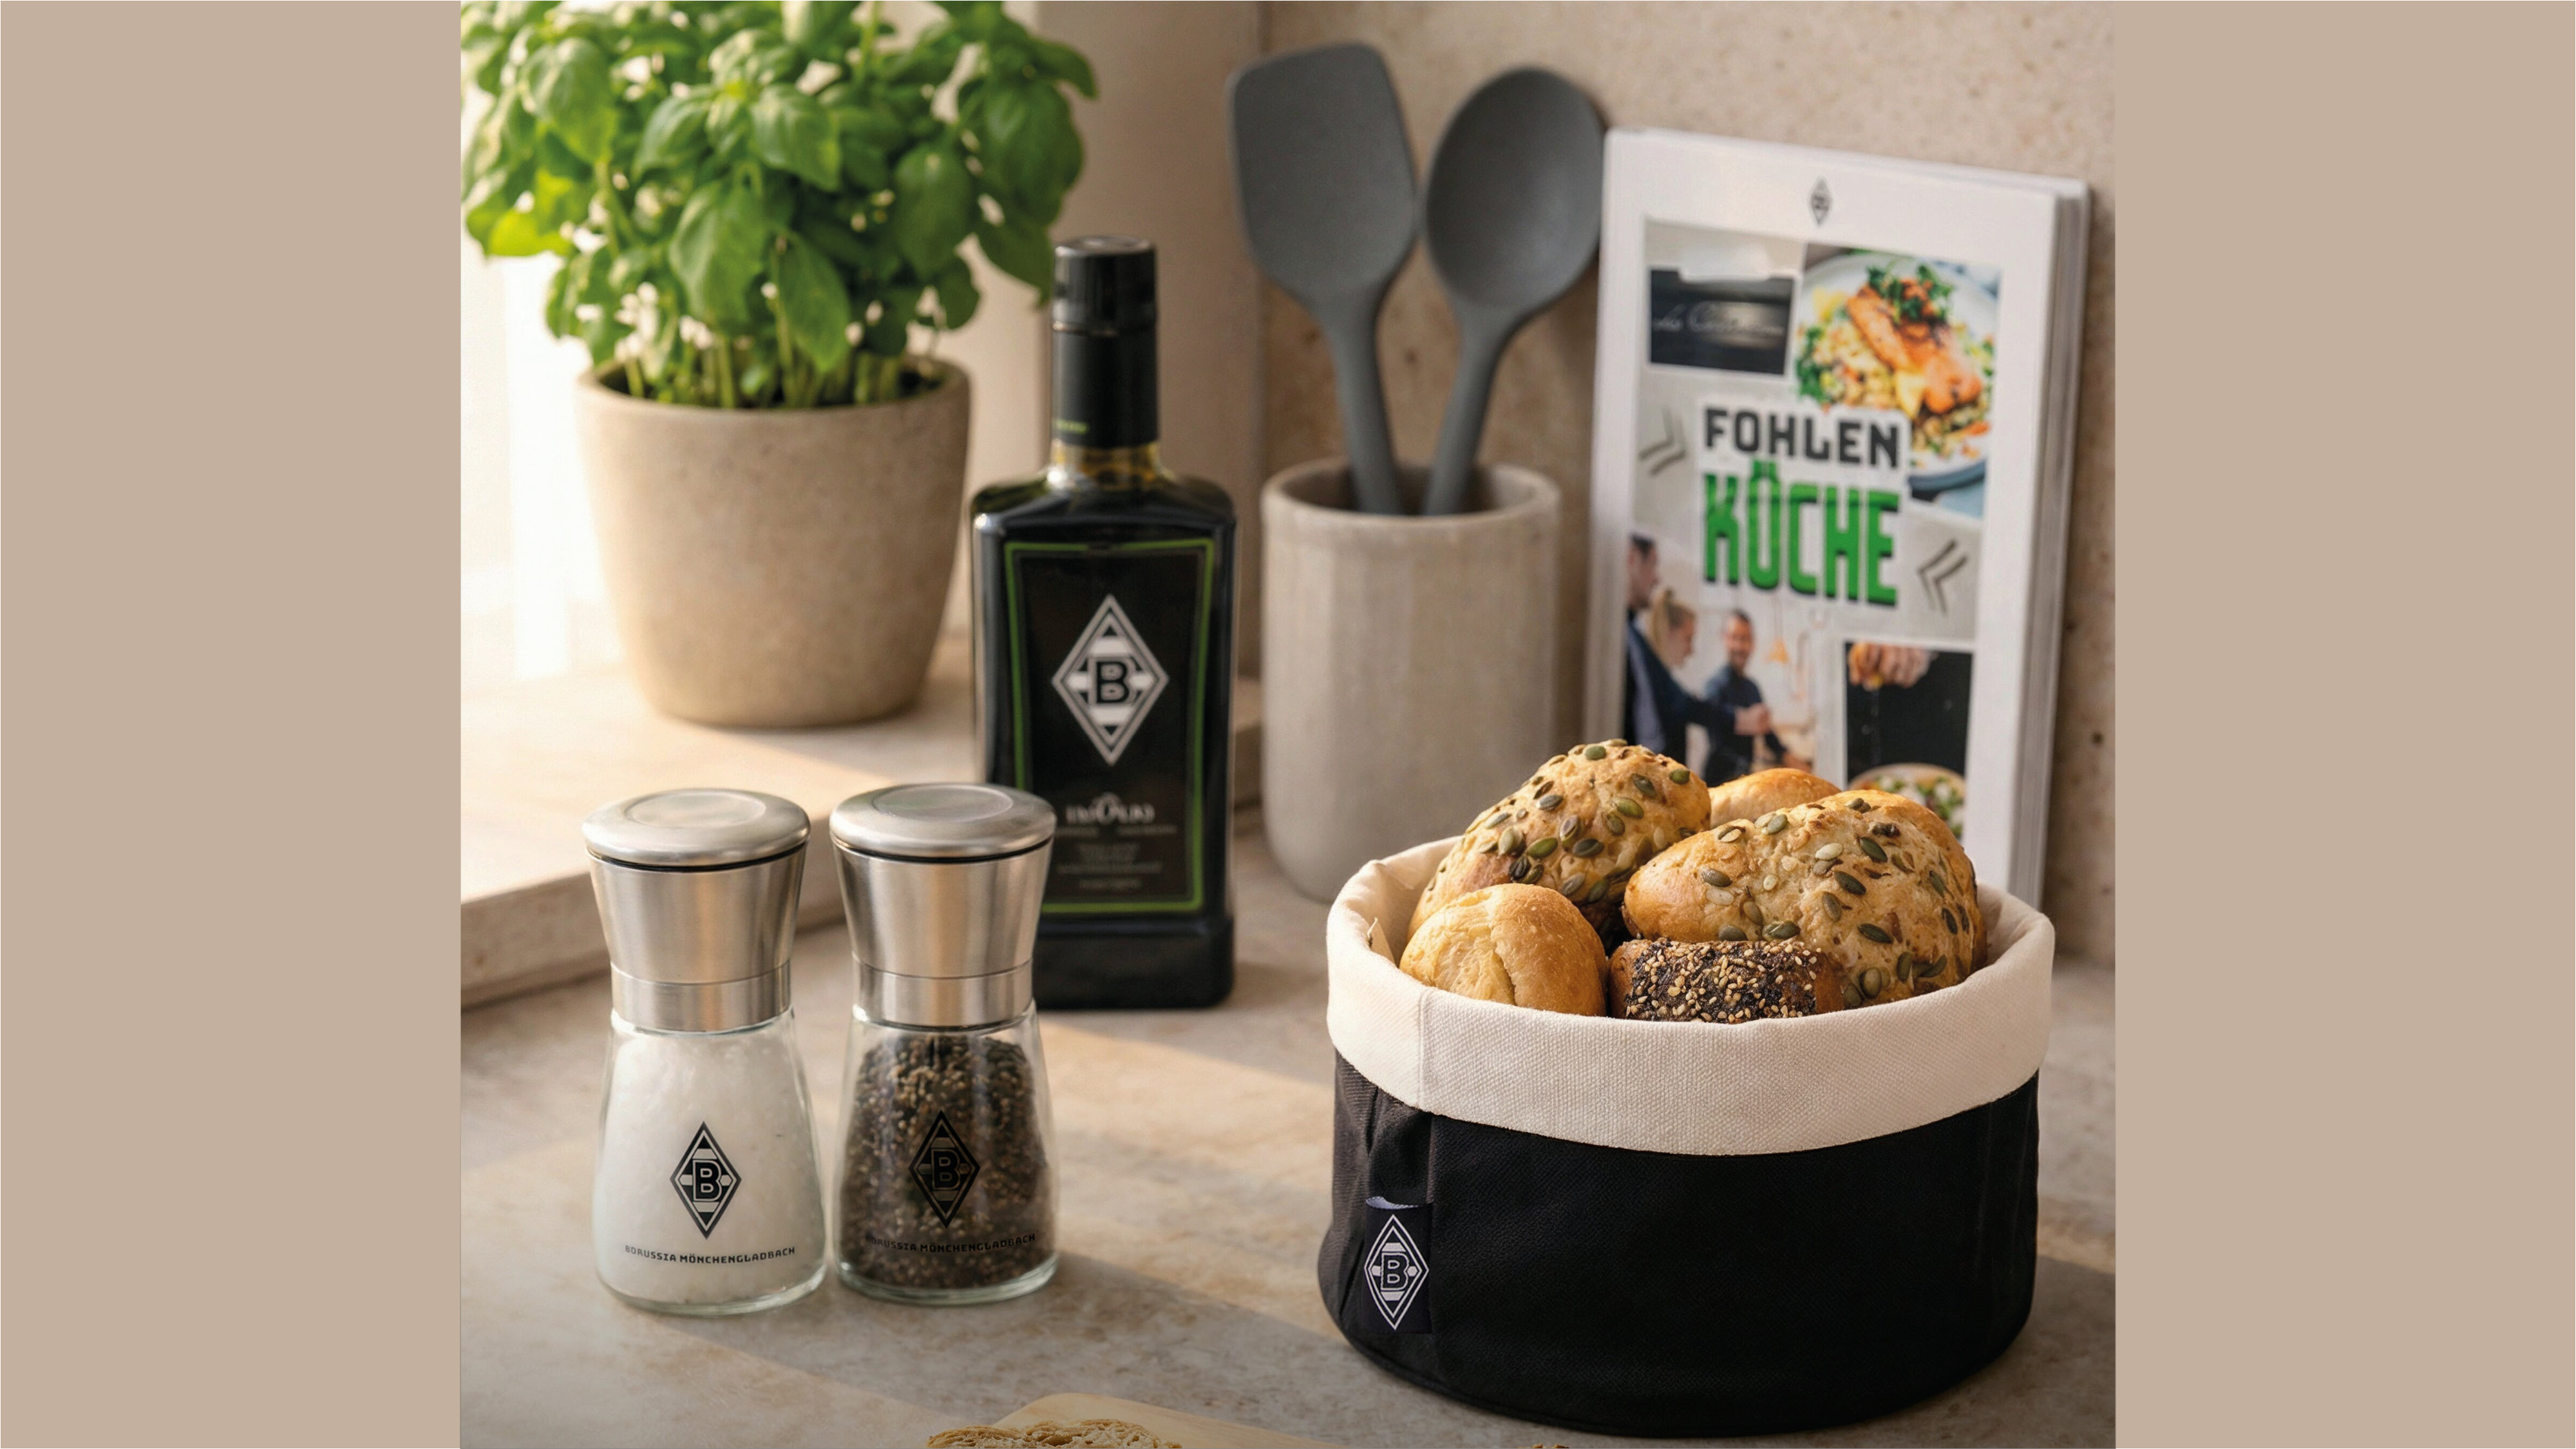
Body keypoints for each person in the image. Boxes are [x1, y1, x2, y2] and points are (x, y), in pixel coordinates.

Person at [1620, 535, 1741, 762]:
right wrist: (1738, 720)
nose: (1656, 578)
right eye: (1653, 564)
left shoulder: (1632, 638)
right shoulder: (1629, 642)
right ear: (1633, 557)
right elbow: (1681, 705)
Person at [1698, 608, 1791, 785]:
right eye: (1735, 638)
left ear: (1753, 643)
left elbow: (1767, 733)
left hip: (1744, 780)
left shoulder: (1752, 688)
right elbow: (1716, 735)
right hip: (1717, 782)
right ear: (1725, 639)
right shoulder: (1715, 686)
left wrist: (1788, 757)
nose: (1740, 646)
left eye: (1745, 639)